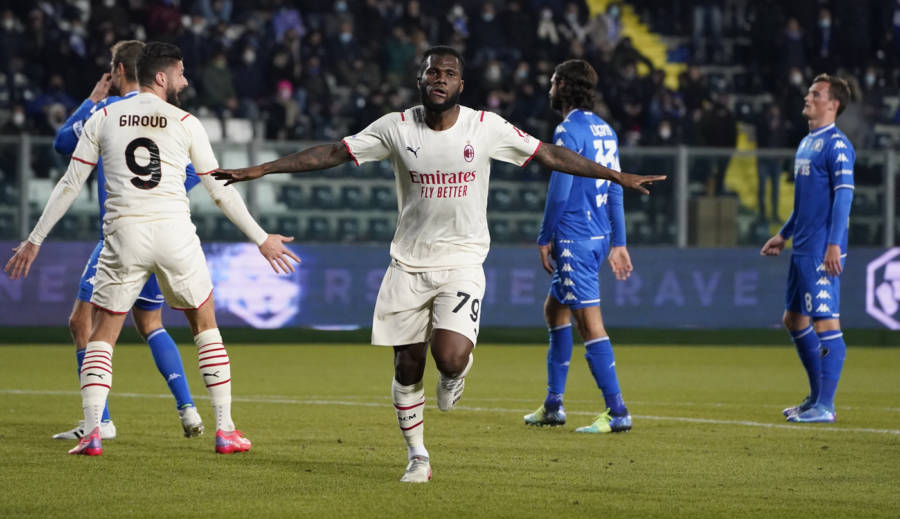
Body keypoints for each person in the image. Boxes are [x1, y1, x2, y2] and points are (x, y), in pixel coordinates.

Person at [213, 46, 663, 482]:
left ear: (461, 84)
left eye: (449, 74)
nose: (440, 79)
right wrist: (262, 169)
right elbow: (332, 152)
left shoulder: (485, 127)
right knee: (407, 367)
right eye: (433, 72)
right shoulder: (395, 127)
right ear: (420, 79)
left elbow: (549, 153)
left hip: (462, 261)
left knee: (449, 357)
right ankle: (418, 456)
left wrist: (614, 176)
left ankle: (455, 375)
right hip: (408, 264)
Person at [4, 42, 300, 455]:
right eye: (181, 73)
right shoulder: (186, 121)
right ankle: (225, 429)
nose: (185, 81)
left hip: (124, 234)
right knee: (205, 323)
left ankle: (93, 432)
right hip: (174, 233)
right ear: (161, 77)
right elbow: (219, 191)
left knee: (102, 332)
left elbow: (70, 184)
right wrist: (261, 238)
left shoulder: (104, 116)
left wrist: (34, 240)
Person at [51, 40, 204, 442]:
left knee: (83, 322)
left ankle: (99, 421)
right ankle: (188, 408)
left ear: (118, 70)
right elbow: (194, 172)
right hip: (164, 232)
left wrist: (90, 99)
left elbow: (63, 143)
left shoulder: (108, 111)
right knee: (151, 322)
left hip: (122, 236)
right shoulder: (170, 116)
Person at [523, 59, 633, 434]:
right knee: (555, 310)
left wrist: (545, 236)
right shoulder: (605, 130)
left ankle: (617, 411)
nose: (549, 88)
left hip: (574, 237)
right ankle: (553, 404)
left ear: (565, 87)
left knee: (589, 324)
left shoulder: (567, 130)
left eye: (553, 81)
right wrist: (619, 241)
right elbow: (616, 186)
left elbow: (560, 190)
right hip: (598, 235)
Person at [761, 73, 854, 423]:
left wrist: (834, 244)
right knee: (794, 319)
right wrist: (783, 234)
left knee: (826, 321)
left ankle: (825, 406)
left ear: (833, 104)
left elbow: (843, 197)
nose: (808, 97)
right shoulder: (806, 143)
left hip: (821, 248)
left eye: (816, 94)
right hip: (802, 246)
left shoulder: (838, 145)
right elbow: (803, 203)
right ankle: (815, 398)